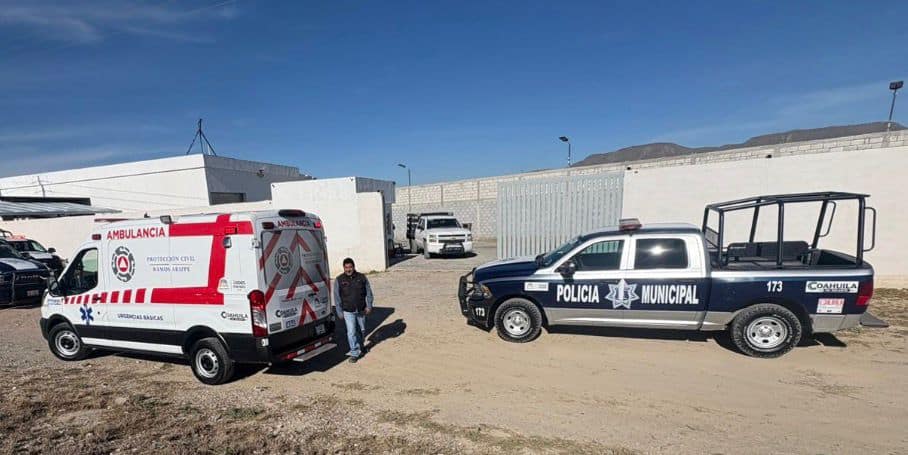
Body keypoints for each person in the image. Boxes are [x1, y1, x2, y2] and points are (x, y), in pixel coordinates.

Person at [333, 257, 373, 363]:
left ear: (353, 267)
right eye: (346, 267)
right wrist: (339, 311)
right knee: (351, 332)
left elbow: (368, 292)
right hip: (348, 311)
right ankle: (354, 353)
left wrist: (369, 306)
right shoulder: (339, 280)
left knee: (361, 330)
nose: (348, 269)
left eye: (350, 267)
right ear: (344, 268)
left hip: (361, 309)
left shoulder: (362, 277)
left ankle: (361, 346)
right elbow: (337, 297)